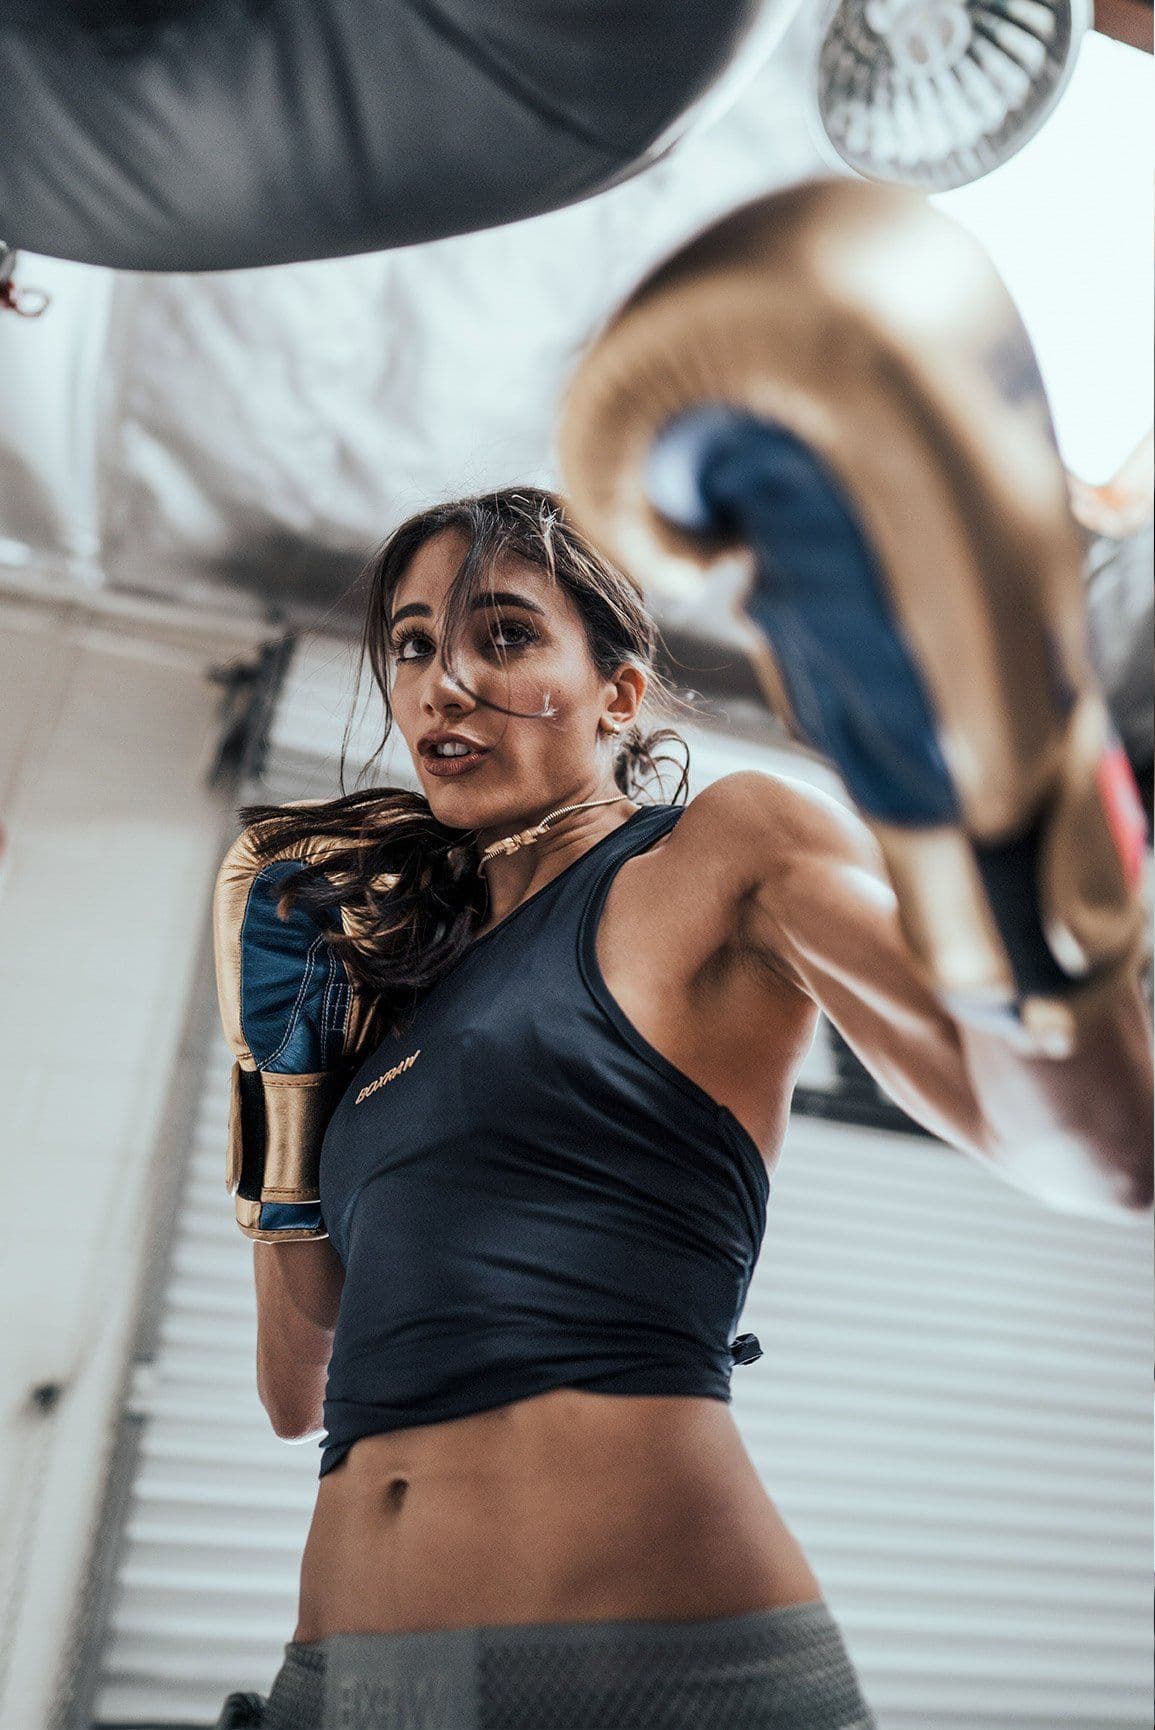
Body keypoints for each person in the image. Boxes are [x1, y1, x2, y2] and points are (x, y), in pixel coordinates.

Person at [218, 486, 1151, 1730]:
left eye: (502, 634)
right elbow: (299, 1394)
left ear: (619, 689)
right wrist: (278, 1107)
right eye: (410, 642)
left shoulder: (719, 854)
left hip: (642, 1664)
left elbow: (1098, 1148)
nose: (442, 680)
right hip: (357, 1686)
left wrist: (1024, 856)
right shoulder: (389, 995)